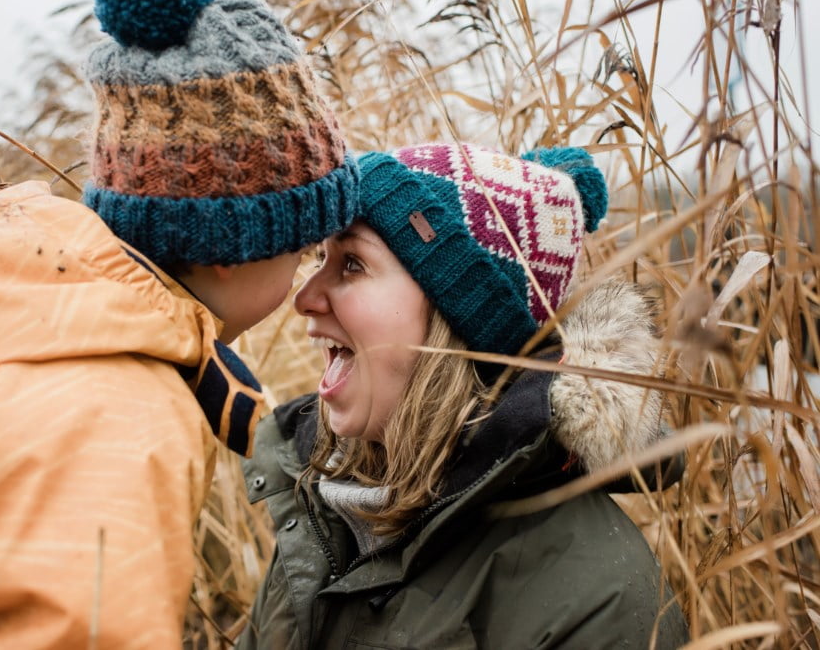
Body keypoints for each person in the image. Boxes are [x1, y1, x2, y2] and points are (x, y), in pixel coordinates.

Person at [0, 0, 359, 647]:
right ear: (232, 245)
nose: (307, 287)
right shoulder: (111, 409)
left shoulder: (40, 336)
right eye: (305, 249)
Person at [238, 143, 689, 648]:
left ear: (459, 320)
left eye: (352, 265)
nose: (304, 298)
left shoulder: (602, 602)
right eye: (320, 257)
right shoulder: (321, 504)